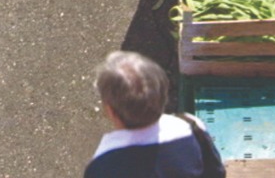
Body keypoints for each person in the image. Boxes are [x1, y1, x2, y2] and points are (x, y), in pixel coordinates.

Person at [85, 52, 225, 178]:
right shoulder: (190, 127)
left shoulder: (101, 166)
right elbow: (216, 172)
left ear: (110, 111)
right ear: (164, 96)